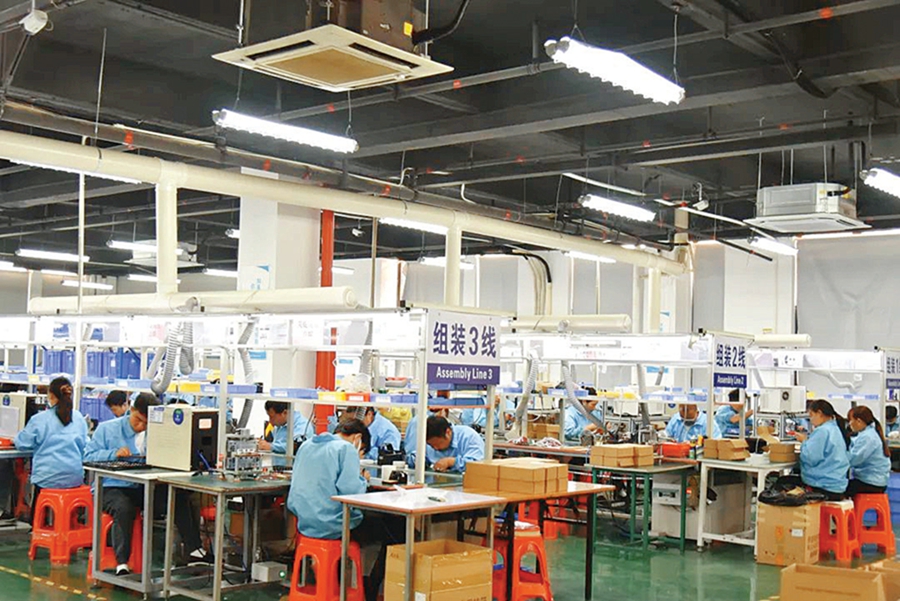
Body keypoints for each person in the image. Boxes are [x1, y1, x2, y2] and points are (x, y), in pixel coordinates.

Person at [84, 392, 209, 576]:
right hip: (110, 487)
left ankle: (194, 550)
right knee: (124, 508)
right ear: (131, 409)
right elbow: (87, 456)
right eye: (138, 420)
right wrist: (113, 454)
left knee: (177, 496)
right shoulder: (107, 429)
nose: (141, 426)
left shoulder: (155, 433)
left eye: (146, 423)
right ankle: (122, 564)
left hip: (140, 487)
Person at [287, 419, 404, 601]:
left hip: (306, 523)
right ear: (357, 438)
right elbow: (352, 491)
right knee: (398, 528)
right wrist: (362, 479)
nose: (359, 455)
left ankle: (337, 584)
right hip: (333, 525)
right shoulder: (346, 449)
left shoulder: (306, 446)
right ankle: (371, 589)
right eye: (362, 451)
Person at [14, 377, 88, 515]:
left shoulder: (40, 419)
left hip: (47, 480)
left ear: (51, 396)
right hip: (74, 479)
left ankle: (37, 522)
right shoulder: (79, 418)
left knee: (38, 494)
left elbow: (22, 443)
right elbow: (85, 446)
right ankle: (69, 522)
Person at [796, 400, 850, 501]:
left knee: (783, 482)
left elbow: (810, 458)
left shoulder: (822, 431)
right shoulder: (835, 428)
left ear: (819, 413)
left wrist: (804, 443)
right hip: (836, 484)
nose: (810, 420)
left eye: (811, 415)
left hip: (823, 485)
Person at [847, 406, 891, 496]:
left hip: (870, 483)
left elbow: (853, 460)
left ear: (858, 421)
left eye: (850, 420)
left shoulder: (868, 437)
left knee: (835, 489)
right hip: (873, 480)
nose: (849, 424)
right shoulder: (868, 433)